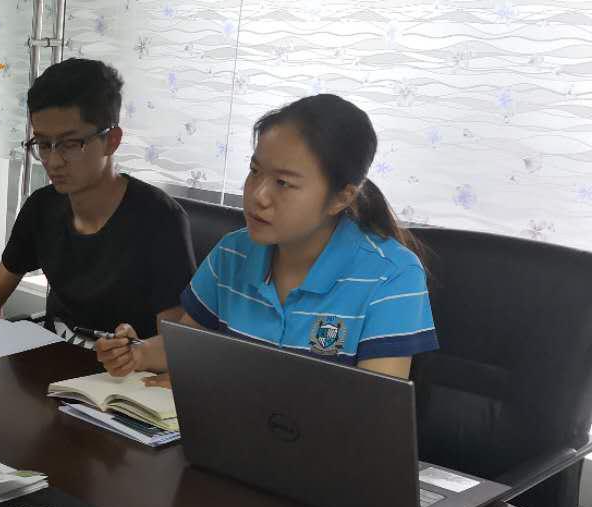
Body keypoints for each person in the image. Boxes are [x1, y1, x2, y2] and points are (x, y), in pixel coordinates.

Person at [99, 93, 436, 383]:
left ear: (341, 198)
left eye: (283, 183)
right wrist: (137, 353)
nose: (257, 195)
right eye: (255, 171)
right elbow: (188, 346)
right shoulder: (233, 253)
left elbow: (375, 411)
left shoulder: (393, 276)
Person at [0, 58, 193, 348]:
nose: (53, 161)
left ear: (111, 140)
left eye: (69, 144)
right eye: (43, 144)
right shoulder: (41, 208)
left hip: (126, 371)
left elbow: (175, 348)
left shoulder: (160, 220)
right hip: (49, 363)